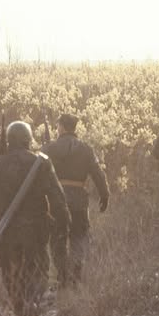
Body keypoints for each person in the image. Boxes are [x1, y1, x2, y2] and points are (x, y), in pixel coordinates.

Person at [0, 121, 69, 316]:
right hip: (35, 232)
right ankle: (32, 309)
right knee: (38, 273)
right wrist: (63, 224)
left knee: (10, 276)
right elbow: (57, 197)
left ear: (8, 140)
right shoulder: (41, 163)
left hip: (5, 233)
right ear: (28, 139)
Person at [41, 113, 109, 287]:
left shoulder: (49, 148)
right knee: (79, 236)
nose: (57, 130)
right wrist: (104, 195)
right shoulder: (86, 149)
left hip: (56, 200)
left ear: (62, 127)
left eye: (58, 126)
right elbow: (98, 174)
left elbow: (38, 176)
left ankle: (63, 273)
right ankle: (75, 272)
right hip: (79, 199)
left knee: (57, 238)